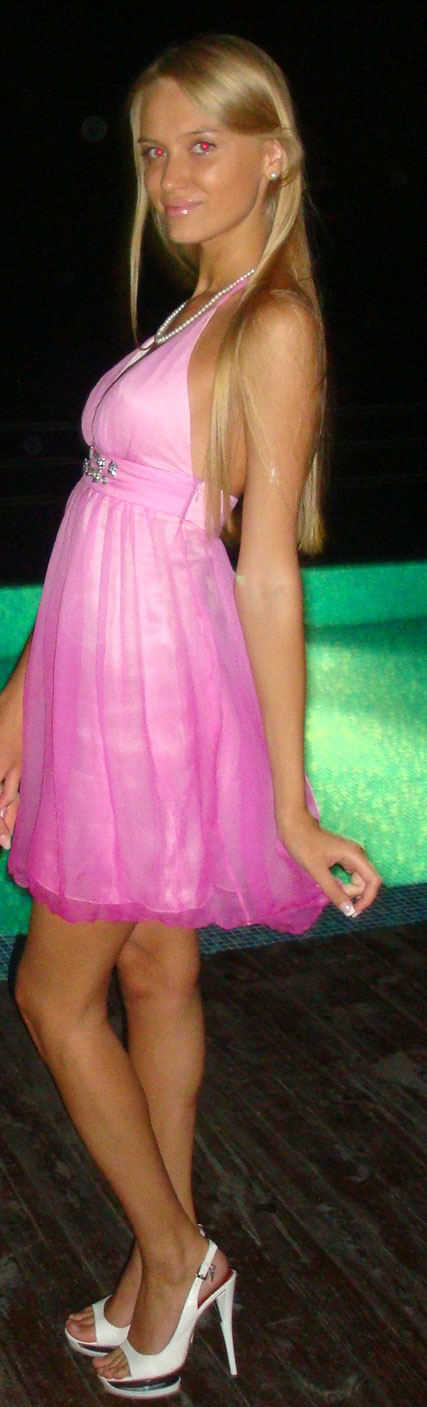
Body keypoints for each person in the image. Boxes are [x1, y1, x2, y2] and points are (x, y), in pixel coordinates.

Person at [0, 32, 382, 1399]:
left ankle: (178, 1256)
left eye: (201, 143)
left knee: (52, 995)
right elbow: (98, 528)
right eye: (155, 149)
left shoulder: (272, 323)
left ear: (275, 154)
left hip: (154, 691)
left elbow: (266, 568)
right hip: (103, 677)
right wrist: (20, 707)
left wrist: (289, 802)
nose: (169, 173)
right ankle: (149, 1267)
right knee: (156, 972)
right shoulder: (193, 314)